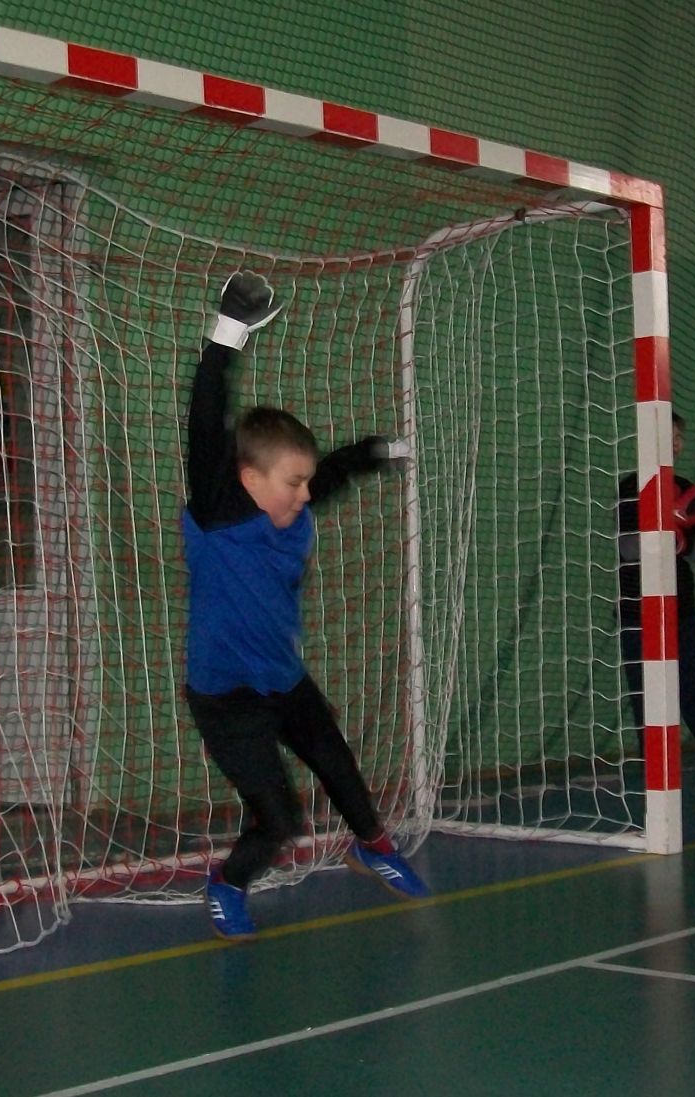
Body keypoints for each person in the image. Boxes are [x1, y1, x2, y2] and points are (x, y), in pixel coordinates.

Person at [182, 272, 430, 941]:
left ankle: (372, 844)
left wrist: (378, 452)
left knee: (338, 764)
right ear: (248, 478)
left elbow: (335, 472)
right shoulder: (219, 513)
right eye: (292, 482)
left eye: (306, 483)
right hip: (227, 696)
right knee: (279, 817)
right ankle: (228, 882)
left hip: (282, 678)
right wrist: (228, 333)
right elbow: (205, 423)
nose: (303, 494)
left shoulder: (291, 508)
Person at [618, 412, 695, 799]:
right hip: (638, 613)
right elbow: (628, 548)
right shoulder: (631, 487)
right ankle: (655, 782)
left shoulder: (686, 490)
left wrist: (679, 540)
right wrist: (665, 532)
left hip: (680, 611)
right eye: (667, 435)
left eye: (678, 437)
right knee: (647, 697)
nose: (674, 443)